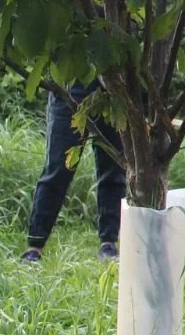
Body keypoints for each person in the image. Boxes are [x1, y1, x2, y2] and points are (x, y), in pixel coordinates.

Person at [20, 84, 125, 263]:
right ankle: (34, 248)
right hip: (70, 85)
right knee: (57, 170)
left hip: (113, 86)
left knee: (114, 168)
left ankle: (109, 244)